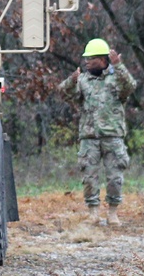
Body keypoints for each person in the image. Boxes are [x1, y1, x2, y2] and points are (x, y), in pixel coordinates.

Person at [58, 38, 137, 226]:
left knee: (115, 177)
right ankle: (93, 214)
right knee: (89, 177)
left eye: (91, 59)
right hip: (89, 137)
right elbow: (63, 92)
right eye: (86, 58)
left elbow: (130, 86)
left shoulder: (116, 79)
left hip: (113, 136)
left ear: (102, 60)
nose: (86, 62)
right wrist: (72, 80)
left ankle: (113, 213)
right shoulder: (83, 80)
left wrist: (119, 65)